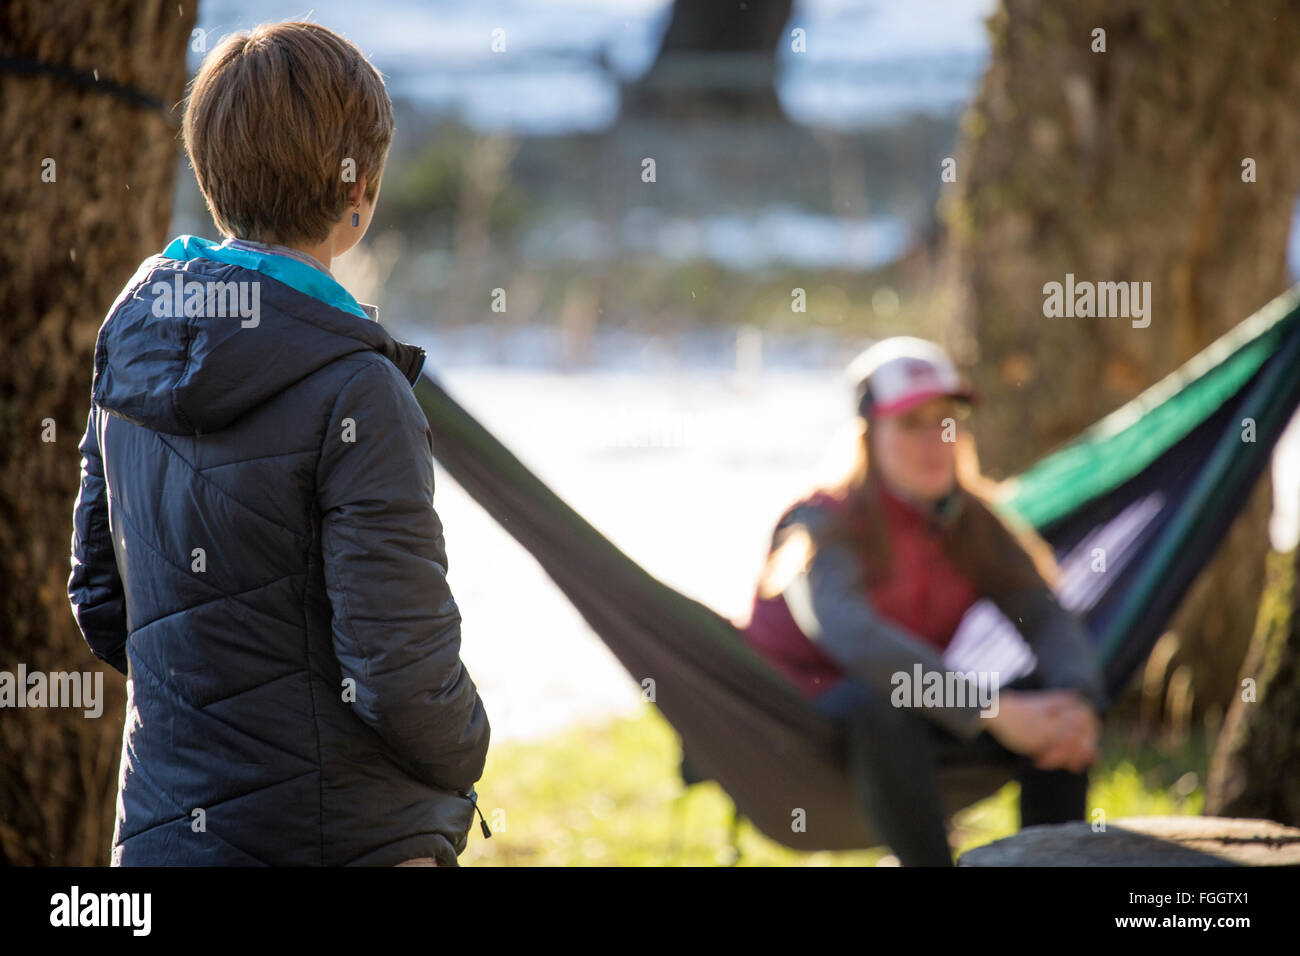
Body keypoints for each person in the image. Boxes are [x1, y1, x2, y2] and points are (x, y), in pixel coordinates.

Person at [67, 22, 489, 866]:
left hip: (162, 837)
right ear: (358, 190)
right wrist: (468, 745)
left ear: (208, 173)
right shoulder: (358, 388)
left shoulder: (134, 345)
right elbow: (400, 671)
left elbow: (102, 604)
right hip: (344, 836)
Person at [737, 336, 1107, 866]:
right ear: (868, 436)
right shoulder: (821, 523)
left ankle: (1047, 860)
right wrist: (986, 709)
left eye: (946, 421)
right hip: (799, 726)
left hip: (916, 718)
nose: (935, 439)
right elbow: (854, 638)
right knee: (880, 702)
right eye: (911, 424)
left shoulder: (972, 522)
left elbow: (1043, 615)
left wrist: (1076, 702)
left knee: (1051, 702)